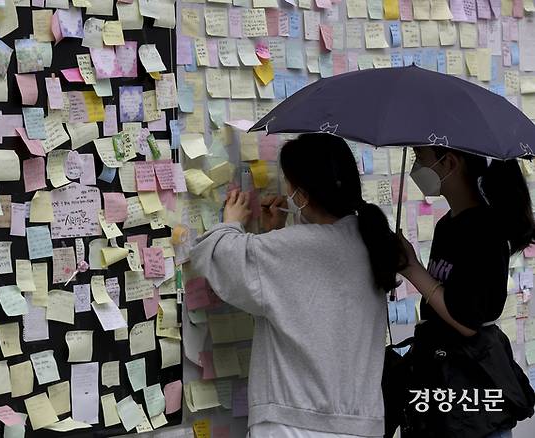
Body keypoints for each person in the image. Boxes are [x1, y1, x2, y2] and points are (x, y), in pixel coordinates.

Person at [190, 133, 408, 437]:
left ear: (303, 195)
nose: (287, 192)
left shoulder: (297, 248)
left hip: (296, 421)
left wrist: (231, 222)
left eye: (288, 184)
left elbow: (217, 255)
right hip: (361, 422)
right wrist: (276, 234)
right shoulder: (369, 238)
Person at [396, 146, 535, 438]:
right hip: (443, 375)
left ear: (449, 163)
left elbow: (466, 320)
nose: (416, 168)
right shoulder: (447, 225)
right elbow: (443, 294)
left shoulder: (485, 230)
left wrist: (412, 269)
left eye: (421, 158)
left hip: (471, 388)